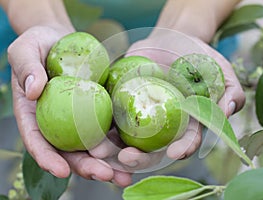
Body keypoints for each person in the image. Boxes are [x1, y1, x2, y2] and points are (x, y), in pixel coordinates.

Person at [0, 0, 245, 187]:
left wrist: (185, 26)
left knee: (176, 183)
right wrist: (43, 20)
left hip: (180, 65)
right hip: (26, 46)